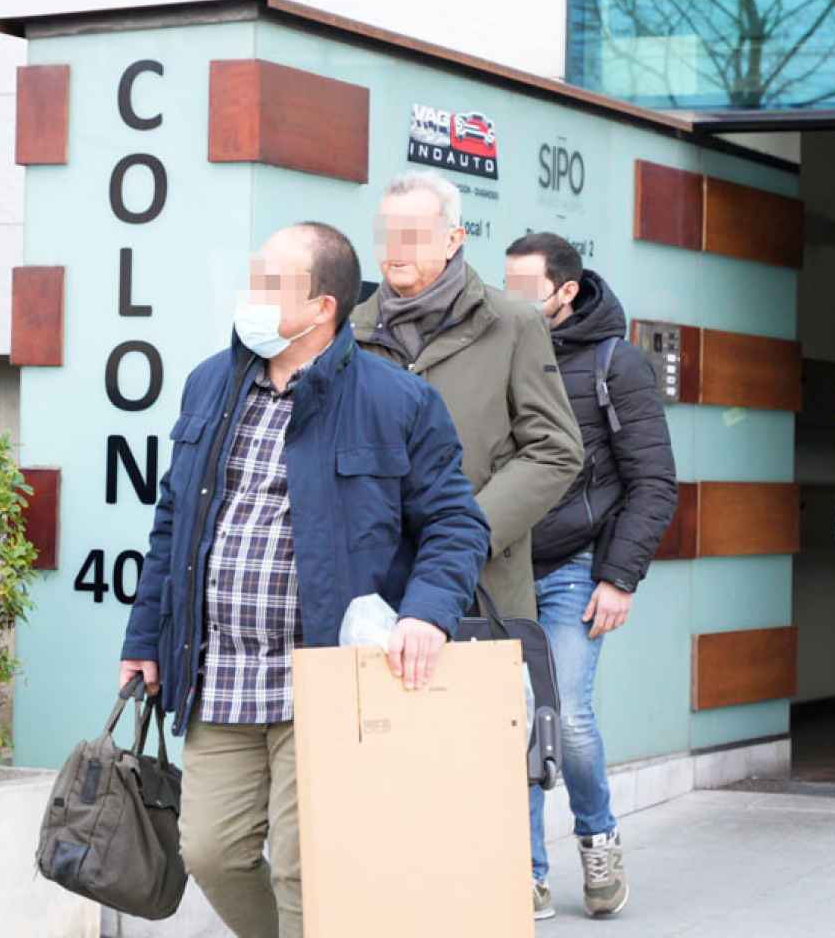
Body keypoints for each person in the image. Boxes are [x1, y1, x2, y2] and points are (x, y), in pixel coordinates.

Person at [118, 222, 490, 938]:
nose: (248, 295)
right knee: (211, 851)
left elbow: (455, 523)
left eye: (269, 283)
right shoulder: (208, 384)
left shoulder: (396, 402)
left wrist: (427, 613)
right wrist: (146, 639)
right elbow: (172, 525)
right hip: (218, 668)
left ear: (322, 308)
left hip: (323, 670)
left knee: (302, 863)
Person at [504, 232, 676, 921]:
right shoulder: (498, 347)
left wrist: (620, 577)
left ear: (565, 291)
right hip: (503, 567)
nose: (509, 297)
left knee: (567, 717)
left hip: (578, 568)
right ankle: (523, 872)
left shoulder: (616, 362)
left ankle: (598, 835)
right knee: (509, 718)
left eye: (524, 286)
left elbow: (655, 482)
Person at [353, 170, 584, 625]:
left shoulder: (513, 323)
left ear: (453, 239)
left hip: (480, 587)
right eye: (387, 234)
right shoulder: (349, 331)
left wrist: (468, 533)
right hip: (369, 591)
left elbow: (556, 450)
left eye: (413, 235)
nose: (395, 249)